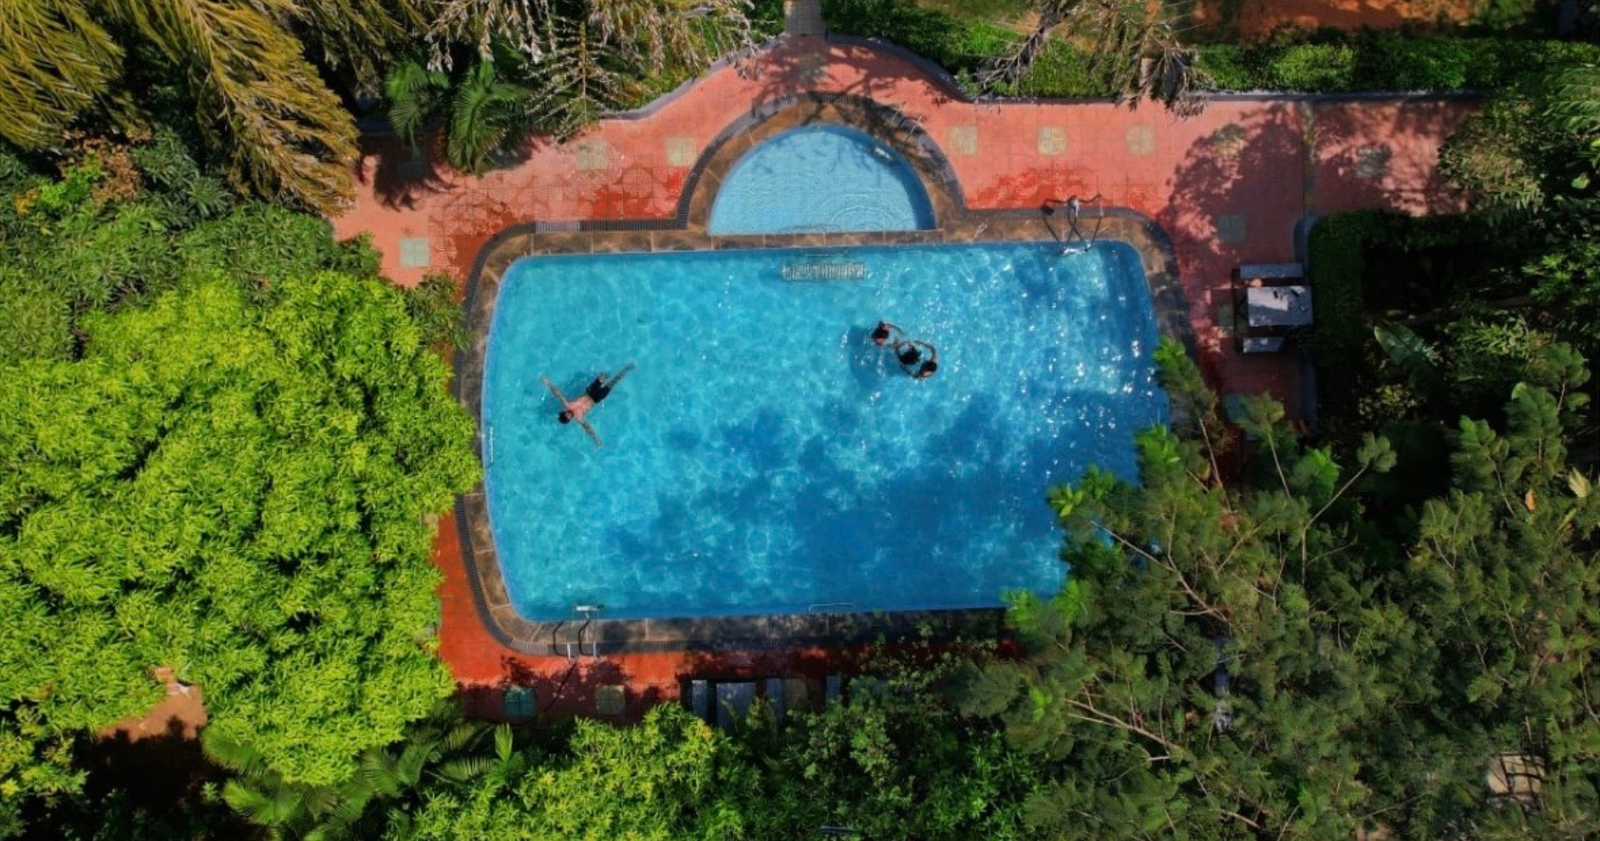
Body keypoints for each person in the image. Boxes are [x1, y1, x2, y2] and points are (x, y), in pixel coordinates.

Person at [542, 362, 635, 447]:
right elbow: (588, 429)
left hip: (590, 392)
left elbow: (558, 394)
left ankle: (611, 366)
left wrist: (548, 383)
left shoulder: (567, 404)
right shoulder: (579, 418)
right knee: (612, 382)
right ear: (570, 419)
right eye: (568, 417)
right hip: (596, 398)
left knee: (602, 376)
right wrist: (596, 440)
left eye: (566, 414)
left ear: (564, 411)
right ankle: (627, 369)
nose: (569, 414)